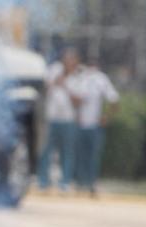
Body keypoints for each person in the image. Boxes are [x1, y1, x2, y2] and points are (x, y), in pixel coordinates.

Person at [69, 57, 119, 198]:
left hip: (94, 125)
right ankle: (81, 184)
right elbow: (73, 98)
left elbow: (114, 100)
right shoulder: (81, 78)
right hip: (81, 123)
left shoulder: (100, 79)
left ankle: (90, 184)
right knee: (81, 155)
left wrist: (105, 117)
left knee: (91, 156)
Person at [37, 47, 81, 192]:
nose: (69, 62)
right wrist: (57, 81)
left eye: (72, 59)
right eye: (67, 59)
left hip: (68, 120)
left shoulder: (79, 77)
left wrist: (66, 86)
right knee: (46, 151)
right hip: (51, 118)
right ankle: (43, 181)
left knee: (67, 152)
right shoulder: (54, 70)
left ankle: (65, 182)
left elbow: (78, 101)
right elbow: (44, 89)